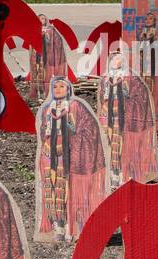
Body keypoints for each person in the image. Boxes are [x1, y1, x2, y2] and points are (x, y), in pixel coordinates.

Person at [35, 75, 109, 244]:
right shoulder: (47, 108)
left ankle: (74, 228)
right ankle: (58, 227)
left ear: (69, 89)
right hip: (49, 154)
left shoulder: (76, 106)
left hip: (70, 155)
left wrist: (72, 134)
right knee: (53, 191)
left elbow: (89, 129)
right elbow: (42, 131)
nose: (58, 90)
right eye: (55, 87)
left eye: (62, 86)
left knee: (71, 191)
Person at [98, 48, 158, 187]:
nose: (116, 61)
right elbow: (102, 99)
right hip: (108, 119)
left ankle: (127, 174)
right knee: (110, 147)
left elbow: (141, 98)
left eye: (119, 59)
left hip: (125, 121)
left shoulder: (132, 78)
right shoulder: (105, 79)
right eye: (113, 58)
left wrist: (126, 103)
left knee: (125, 148)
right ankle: (113, 175)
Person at [28, 13, 67, 102]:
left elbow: (56, 41)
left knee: (45, 76)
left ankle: (45, 94)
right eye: (40, 19)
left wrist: (46, 36)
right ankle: (37, 94)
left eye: (43, 19)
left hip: (46, 57)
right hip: (36, 55)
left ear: (46, 20)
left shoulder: (50, 30)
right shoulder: (34, 29)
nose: (41, 21)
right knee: (36, 75)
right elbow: (31, 41)